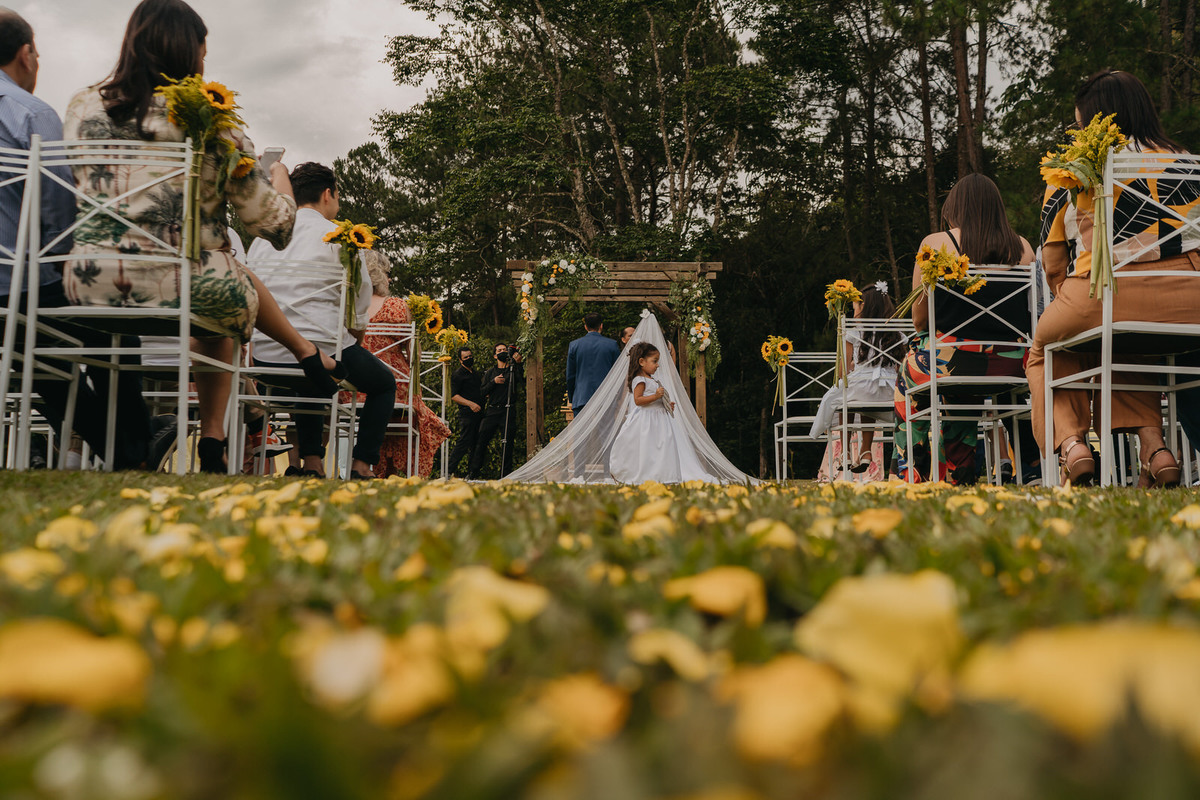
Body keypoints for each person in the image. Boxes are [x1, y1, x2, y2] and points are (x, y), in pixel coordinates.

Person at [61, 0, 342, 473]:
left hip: (88, 282)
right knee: (222, 283)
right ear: (190, 54)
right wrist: (281, 185)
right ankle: (213, 438)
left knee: (219, 276)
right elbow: (273, 225)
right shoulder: (211, 120)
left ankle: (92, 447)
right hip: (187, 289)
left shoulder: (82, 105)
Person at [1028, 68, 1200, 488]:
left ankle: (1072, 446)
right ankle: (1154, 449)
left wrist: (1068, 299)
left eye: (1079, 122)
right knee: (1125, 343)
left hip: (1106, 293)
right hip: (1192, 298)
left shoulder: (1076, 173)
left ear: (1095, 120)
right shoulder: (1190, 164)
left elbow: (1053, 264)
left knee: (1047, 347)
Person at [0, 10, 154, 470]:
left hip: (11, 304)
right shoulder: (31, 114)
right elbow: (59, 205)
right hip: (24, 287)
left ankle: (131, 455)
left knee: (43, 354)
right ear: (26, 54)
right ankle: (135, 455)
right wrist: (66, 261)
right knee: (113, 329)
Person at [248, 162, 396, 480]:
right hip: (320, 352)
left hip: (262, 355)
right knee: (383, 383)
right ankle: (361, 465)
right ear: (328, 194)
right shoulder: (342, 240)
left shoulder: (263, 237)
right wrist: (353, 337)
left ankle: (311, 462)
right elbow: (358, 308)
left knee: (316, 363)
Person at [894, 173, 1036, 484]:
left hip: (951, 362)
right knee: (963, 367)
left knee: (911, 373)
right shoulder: (1023, 248)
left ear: (955, 207)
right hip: (1013, 363)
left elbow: (920, 321)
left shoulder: (935, 244)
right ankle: (969, 470)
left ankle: (913, 471)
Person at [354, 249, 450, 478]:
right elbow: (411, 354)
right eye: (387, 273)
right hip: (395, 388)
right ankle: (404, 470)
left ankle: (380, 466)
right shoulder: (396, 306)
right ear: (379, 274)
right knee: (426, 419)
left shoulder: (349, 305)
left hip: (352, 387)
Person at [810, 282, 901, 477]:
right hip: (889, 393)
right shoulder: (897, 333)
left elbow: (842, 372)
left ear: (866, 308)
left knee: (847, 395)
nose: (854, 313)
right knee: (863, 398)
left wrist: (852, 368)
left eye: (856, 308)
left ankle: (845, 451)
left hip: (861, 390)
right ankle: (866, 450)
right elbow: (901, 367)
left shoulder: (853, 332)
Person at [609, 341, 711, 483]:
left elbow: (654, 400)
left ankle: (661, 475)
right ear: (641, 362)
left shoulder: (652, 379)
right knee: (647, 448)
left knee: (661, 448)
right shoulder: (640, 380)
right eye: (655, 361)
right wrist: (656, 396)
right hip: (647, 421)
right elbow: (638, 400)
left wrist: (665, 404)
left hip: (659, 420)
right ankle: (638, 474)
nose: (658, 365)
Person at [468, 342, 523, 479]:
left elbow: (521, 381)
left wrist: (518, 364)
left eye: (504, 350)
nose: (502, 352)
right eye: (499, 350)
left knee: (508, 442)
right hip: (492, 411)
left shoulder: (512, 369)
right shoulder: (490, 373)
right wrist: (494, 382)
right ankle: (473, 473)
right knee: (481, 440)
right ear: (495, 355)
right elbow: (481, 392)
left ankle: (506, 475)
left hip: (508, 410)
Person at [566, 312, 621, 415]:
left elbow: (570, 376)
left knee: (582, 431)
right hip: (605, 397)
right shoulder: (612, 345)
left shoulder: (574, 345)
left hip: (582, 397)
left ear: (585, 327)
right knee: (605, 430)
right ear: (601, 326)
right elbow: (617, 373)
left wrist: (572, 397)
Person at [448, 345, 483, 477]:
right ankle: (448, 470)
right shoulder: (458, 375)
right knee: (464, 443)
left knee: (476, 443)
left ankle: (472, 473)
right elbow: (454, 395)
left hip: (479, 413)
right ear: (460, 360)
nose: (469, 358)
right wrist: (470, 404)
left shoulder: (475, 373)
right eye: (466, 357)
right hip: (467, 414)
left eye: (470, 356)